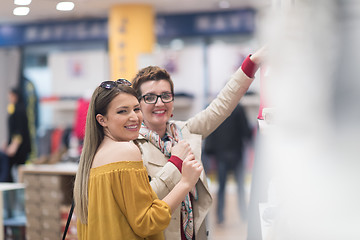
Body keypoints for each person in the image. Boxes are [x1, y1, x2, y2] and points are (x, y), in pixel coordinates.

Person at [131, 46, 265, 240]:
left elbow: (223, 104)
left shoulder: (184, 131)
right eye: (150, 97)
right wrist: (175, 162)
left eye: (166, 96)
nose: (159, 103)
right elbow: (143, 204)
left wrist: (252, 63)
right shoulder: (133, 147)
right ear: (138, 104)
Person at [73, 79, 203, 240]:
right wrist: (185, 183)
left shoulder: (93, 157)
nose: (134, 117)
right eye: (122, 111)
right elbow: (147, 222)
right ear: (102, 120)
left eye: (136, 109)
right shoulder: (126, 151)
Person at [204, 103, 253, 224]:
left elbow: (211, 131)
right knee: (240, 187)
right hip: (237, 154)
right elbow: (245, 131)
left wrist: (210, 151)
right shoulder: (239, 108)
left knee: (221, 187)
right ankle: (244, 215)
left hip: (221, 155)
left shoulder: (218, 108)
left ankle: (220, 217)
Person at [2, 88, 31, 182]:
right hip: (17, 145)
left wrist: (14, 146)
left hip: (20, 148)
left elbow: (19, 130)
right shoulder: (14, 108)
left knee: (16, 171)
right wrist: (8, 142)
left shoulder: (19, 110)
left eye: (10, 95)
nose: (9, 98)